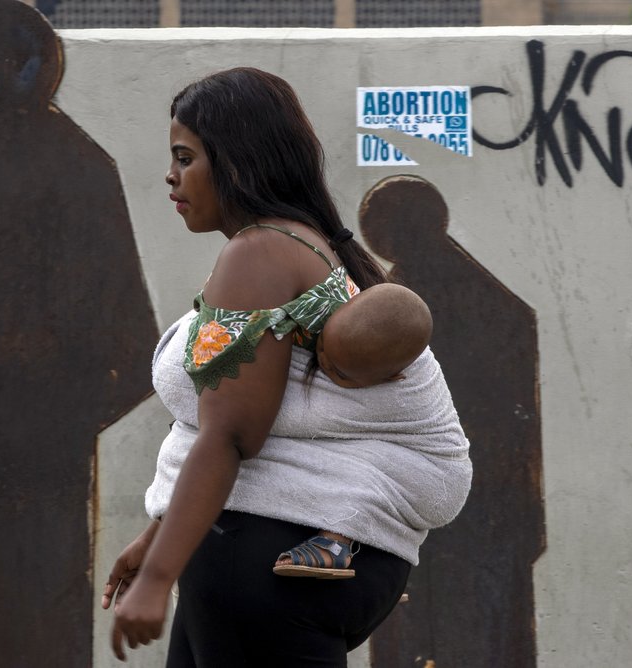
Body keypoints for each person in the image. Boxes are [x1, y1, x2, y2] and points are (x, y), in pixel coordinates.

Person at [100, 67, 471, 667]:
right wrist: (158, 539)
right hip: (269, 560)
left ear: (238, 163)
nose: (171, 175)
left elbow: (232, 434)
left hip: (259, 567)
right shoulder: (305, 246)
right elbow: (268, 428)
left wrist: (157, 576)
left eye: (185, 157)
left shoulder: (261, 253)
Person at [273, 283, 434, 579]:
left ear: (391, 378)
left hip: (404, 468)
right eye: (322, 349)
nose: (323, 364)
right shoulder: (326, 310)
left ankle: (335, 545)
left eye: (340, 373)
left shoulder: (395, 396)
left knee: (362, 480)